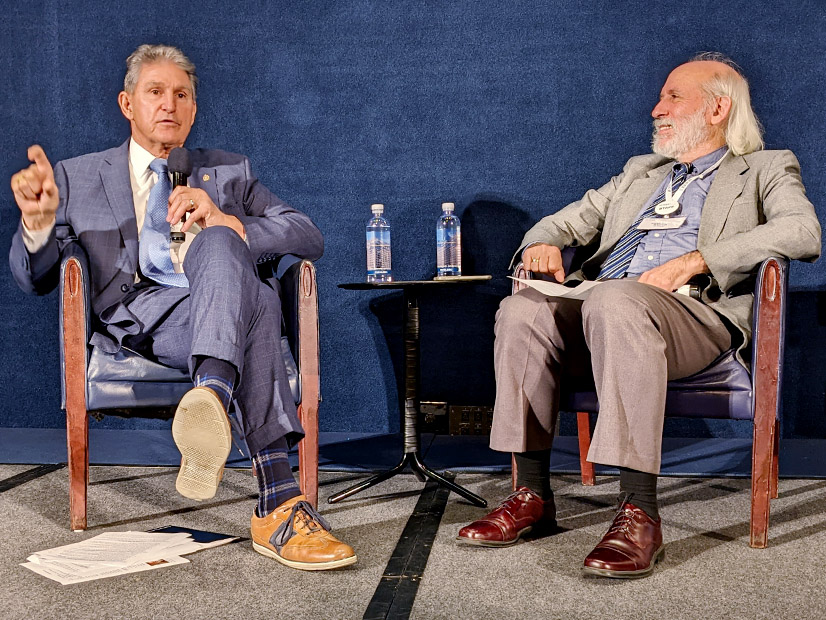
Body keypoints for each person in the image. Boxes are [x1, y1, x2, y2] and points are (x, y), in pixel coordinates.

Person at [456, 53, 821, 578]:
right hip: (603, 306)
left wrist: (695, 261)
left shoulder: (764, 167)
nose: (657, 109)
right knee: (522, 310)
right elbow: (562, 222)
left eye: (673, 97)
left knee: (617, 299)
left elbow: (802, 232)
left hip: (694, 316)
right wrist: (541, 243)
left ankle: (639, 513)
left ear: (718, 108)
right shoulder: (640, 173)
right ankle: (531, 494)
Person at [9, 44, 356, 571]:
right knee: (259, 301)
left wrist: (228, 221)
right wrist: (36, 228)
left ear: (194, 109)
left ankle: (210, 395)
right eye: (155, 92)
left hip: (223, 307)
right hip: (144, 316)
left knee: (232, 262)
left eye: (182, 95)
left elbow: (307, 234)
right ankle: (278, 505)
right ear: (128, 103)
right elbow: (33, 279)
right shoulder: (77, 176)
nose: (169, 104)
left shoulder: (229, 172)